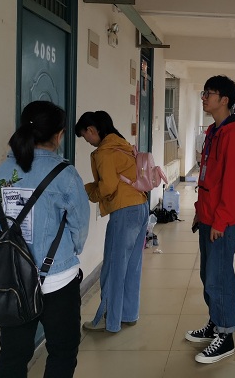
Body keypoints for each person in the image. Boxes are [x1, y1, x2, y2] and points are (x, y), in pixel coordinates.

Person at [0, 101, 90, 378]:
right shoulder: (65, 174)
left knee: (12, 355)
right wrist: (70, 252)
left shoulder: (1, 172)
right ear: (59, 135)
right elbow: (80, 226)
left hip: (13, 280)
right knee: (62, 350)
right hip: (58, 280)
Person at [185, 75, 235, 364]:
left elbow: (233, 184)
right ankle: (215, 322)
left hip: (221, 221)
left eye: (209, 93)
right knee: (208, 275)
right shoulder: (214, 131)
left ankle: (226, 336)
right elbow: (208, 176)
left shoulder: (234, 134)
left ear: (224, 100)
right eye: (204, 92)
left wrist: (221, 221)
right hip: (208, 216)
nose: (204, 97)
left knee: (219, 277)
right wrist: (200, 210)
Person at [75, 111, 149, 333]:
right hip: (141, 206)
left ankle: (110, 321)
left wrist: (87, 191)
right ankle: (129, 314)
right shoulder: (123, 145)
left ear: (92, 130)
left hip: (124, 212)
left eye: (85, 136)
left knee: (113, 268)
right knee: (132, 266)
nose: (88, 141)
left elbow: (107, 187)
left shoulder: (104, 152)